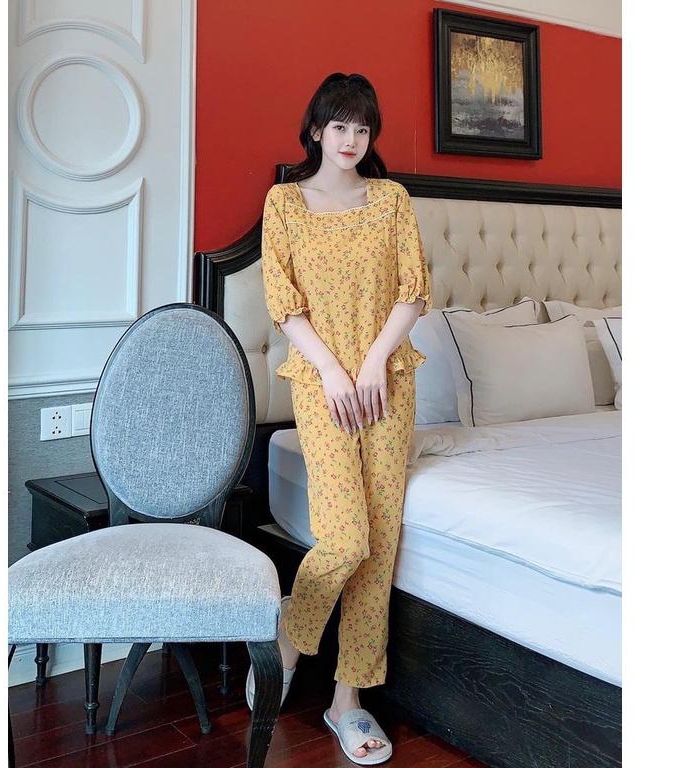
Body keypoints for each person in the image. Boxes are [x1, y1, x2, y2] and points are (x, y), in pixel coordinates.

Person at [253, 72, 432, 764]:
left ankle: (346, 700)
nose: (351, 139)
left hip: (387, 384)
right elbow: (283, 301)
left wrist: (375, 361)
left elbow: (413, 291)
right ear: (316, 131)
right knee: (347, 538)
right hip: (321, 383)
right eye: (339, 126)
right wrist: (332, 368)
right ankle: (288, 640)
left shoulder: (390, 200)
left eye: (362, 128)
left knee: (380, 544)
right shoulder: (285, 202)